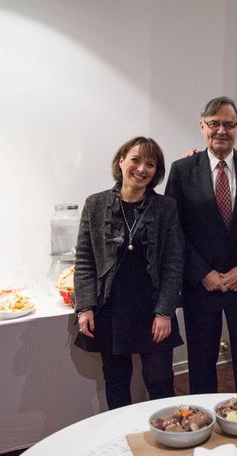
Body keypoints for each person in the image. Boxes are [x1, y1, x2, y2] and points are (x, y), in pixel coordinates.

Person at [165, 96, 237, 394]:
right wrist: (203, 273)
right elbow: (174, 231)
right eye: (214, 124)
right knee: (201, 366)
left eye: (228, 124)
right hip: (201, 286)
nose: (221, 130)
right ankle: (204, 428)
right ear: (202, 127)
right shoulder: (182, 170)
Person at [74, 136, 184, 409]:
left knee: (160, 381)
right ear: (121, 161)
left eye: (150, 163)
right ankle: (122, 442)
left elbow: (174, 263)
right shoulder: (95, 204)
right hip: (112, 309)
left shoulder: (166, 207)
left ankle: (168, 440)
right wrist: (85, 306)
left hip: (152, 308)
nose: (142, 168)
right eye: (135, 159)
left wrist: (164, 312)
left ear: (156, 172)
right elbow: (85, 259)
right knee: (116, 380)